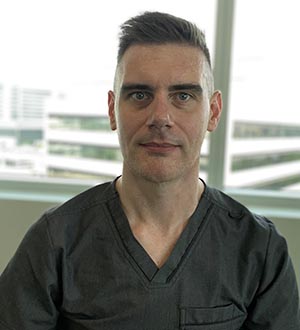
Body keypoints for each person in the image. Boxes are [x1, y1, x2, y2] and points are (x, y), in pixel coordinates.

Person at [0, 11, 299, 330]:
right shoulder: (54, 241)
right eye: (140, 95)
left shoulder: (260, 250)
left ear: (212, 112)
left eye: (182, 95)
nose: (160, 116)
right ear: (112, 110)